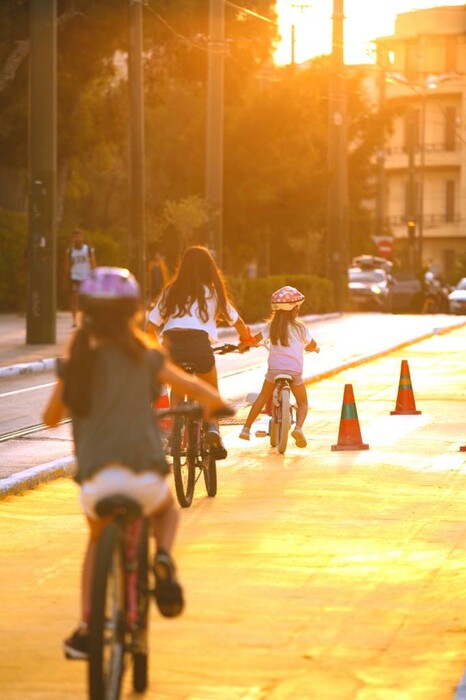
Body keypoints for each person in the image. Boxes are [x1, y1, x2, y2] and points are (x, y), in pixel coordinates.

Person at [43, 266, 230, 660]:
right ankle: (162, 557)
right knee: (166, 513)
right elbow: (193, 386)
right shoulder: (145, 354)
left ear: (84, 312)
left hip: (96, 481)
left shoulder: (78, 358)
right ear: (132, 312)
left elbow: (49, 417)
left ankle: (88, 627)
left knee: (97, 541)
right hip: (144, 477)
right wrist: (217, 405)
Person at [145, 245, 254, 460]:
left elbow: (149, 327)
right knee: (210, 391)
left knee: (177, 388)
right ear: (209, 268)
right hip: (199, 346)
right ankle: (213, 429)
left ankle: (177, 435)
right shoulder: (213, 292)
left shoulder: (170, 291)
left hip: (172, 345)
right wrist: (245, 341)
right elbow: (238, 322)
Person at [239, 286, 319, 448]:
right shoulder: (301, 328)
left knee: (262, 397)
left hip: (274, 371)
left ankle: (246, 429)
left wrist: (246, 344)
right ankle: (298, 428)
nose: (299, 309)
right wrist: (313, 348)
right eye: (297, 307)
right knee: (302, 402)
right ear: (292, 310)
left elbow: (254, 340)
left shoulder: (271, 327)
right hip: (295, 372)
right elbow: (313, 344)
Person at [63, 229, 97, 327]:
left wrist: (94, 275)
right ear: (73, 239)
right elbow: (67, 265)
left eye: (79, 236)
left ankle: (87, 318)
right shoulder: (70, 251)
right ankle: (74, 320)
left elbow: (93, 262)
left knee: (87, 299)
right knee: (74, 299)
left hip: (86, 277)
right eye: (76, 237)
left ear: (82, 238)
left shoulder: (88, 250)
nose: (78, 239)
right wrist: (66, 278)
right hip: (75, 277)